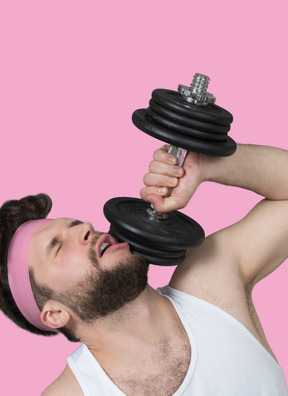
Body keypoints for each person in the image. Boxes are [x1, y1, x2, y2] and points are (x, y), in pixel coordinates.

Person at [0, 143, 287, 395]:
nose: (87, 227)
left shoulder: (210, 280)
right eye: (59, 247)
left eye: (78, 225)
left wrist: (205, 165)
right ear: (55, 314)